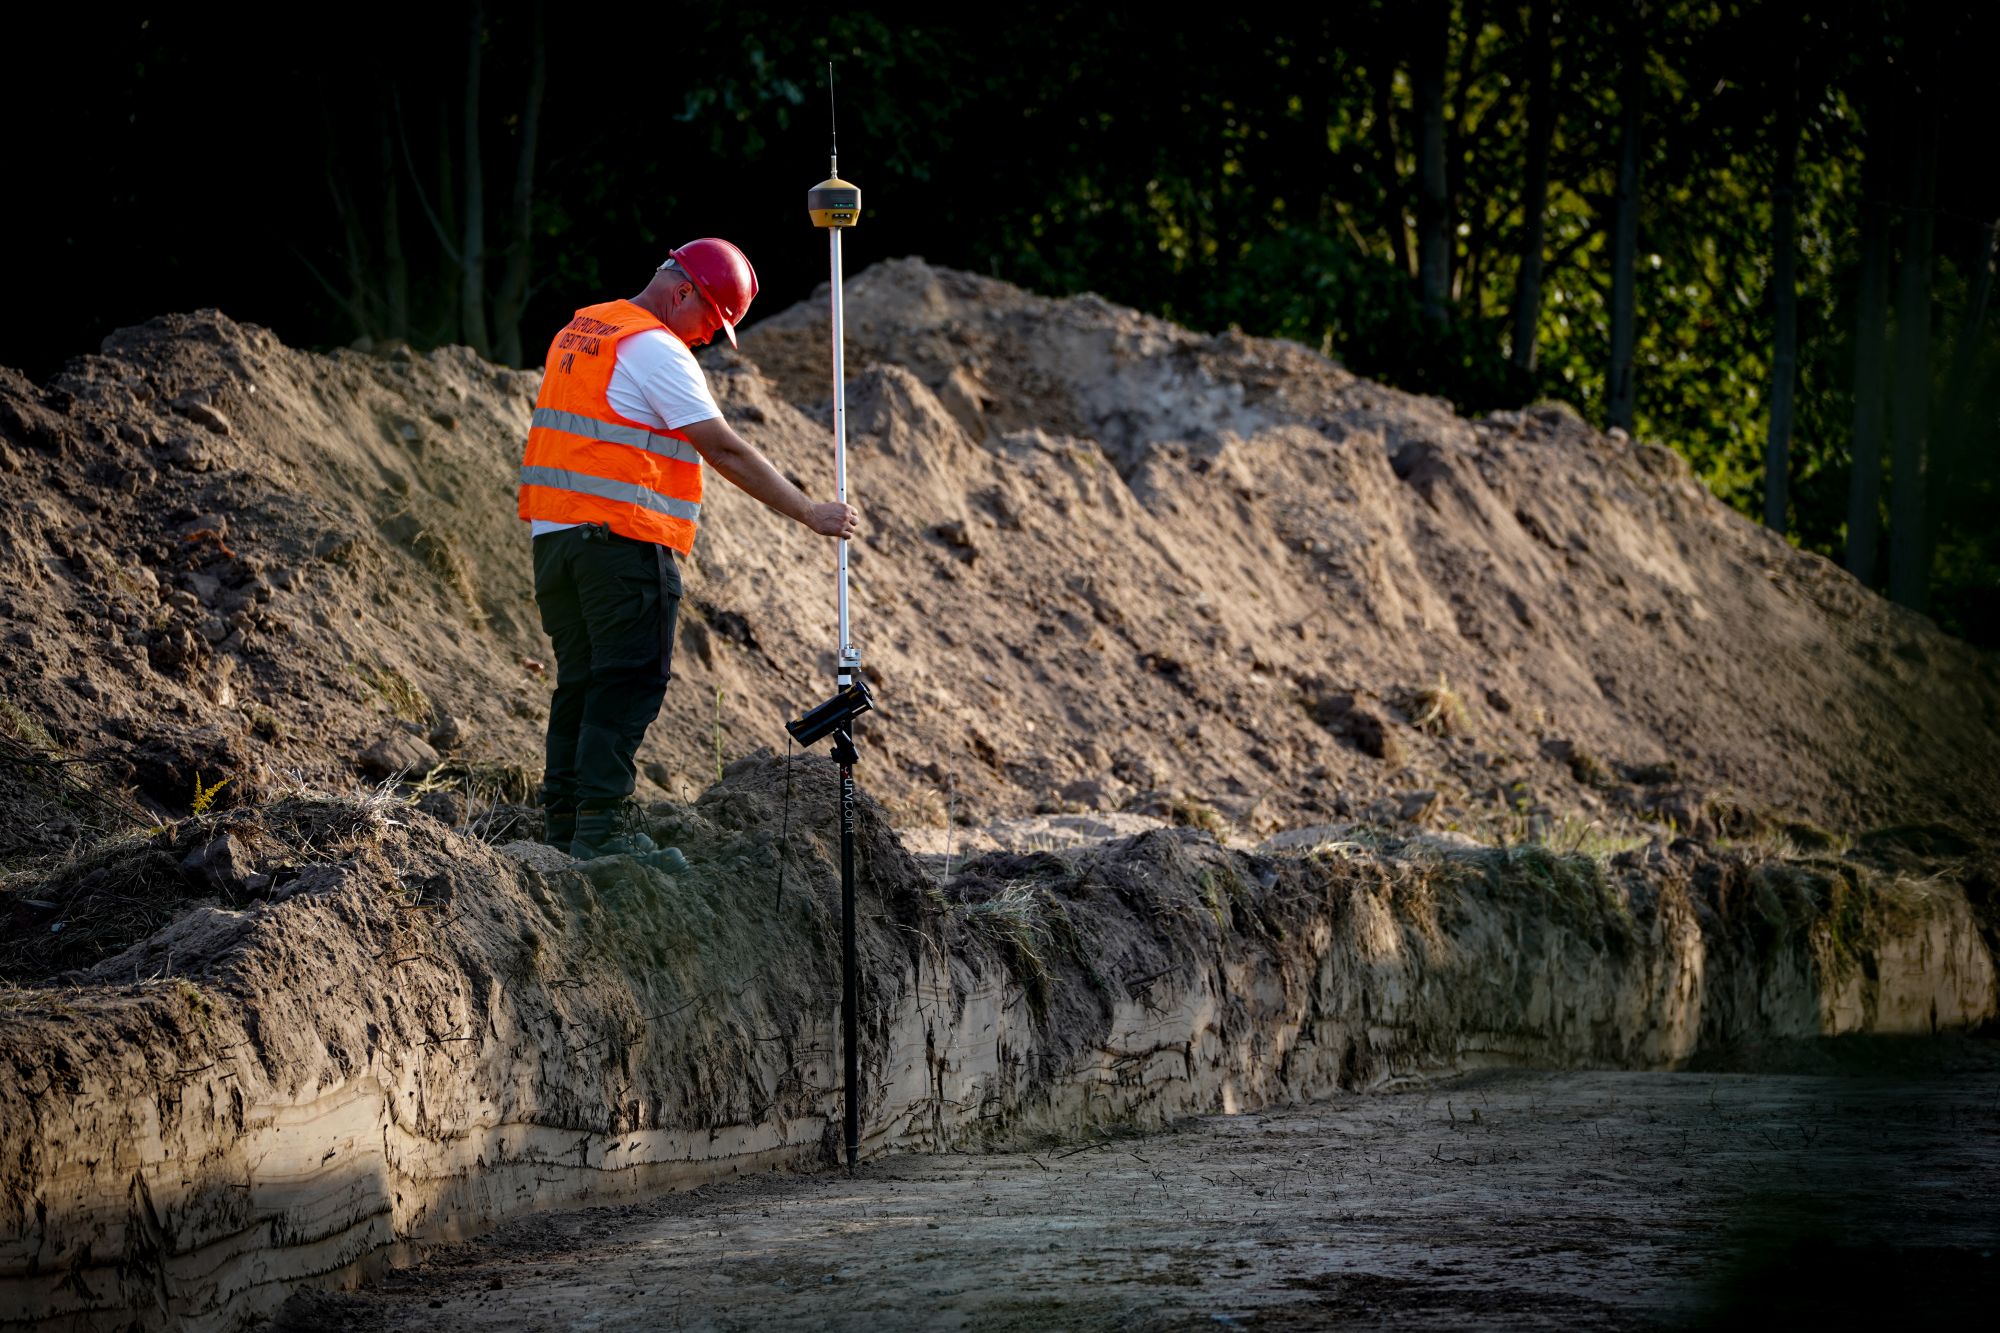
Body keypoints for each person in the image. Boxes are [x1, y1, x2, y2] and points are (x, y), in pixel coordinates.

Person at [518, 238, 858, 861]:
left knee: (584, 685)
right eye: (711, 321)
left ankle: (565, 824)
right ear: (682, 293)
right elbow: (723, 449)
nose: (706, 338)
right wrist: (810, 512)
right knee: (626, 685)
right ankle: (603, 830)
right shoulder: (654, 348)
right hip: (621, 547)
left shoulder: (585, 330)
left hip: (558, 543)